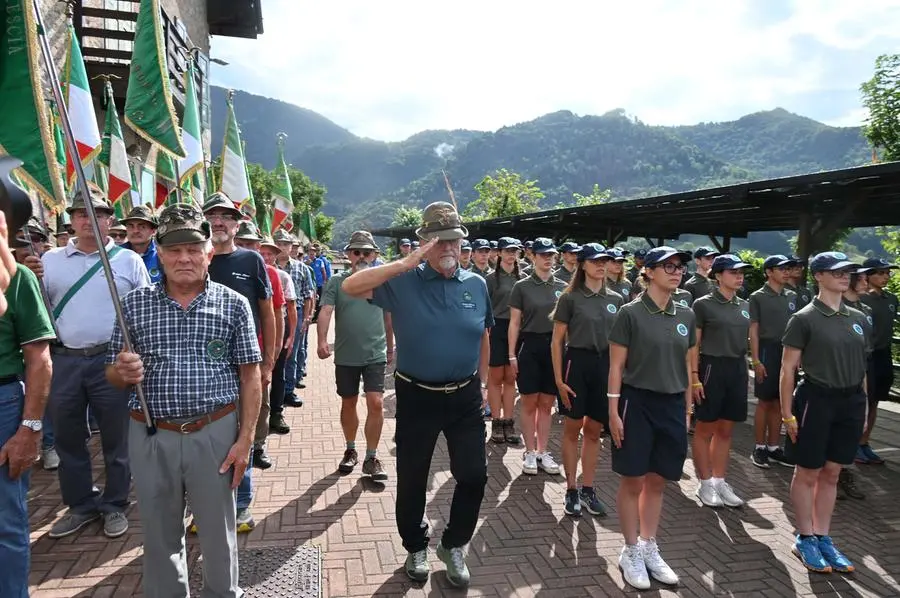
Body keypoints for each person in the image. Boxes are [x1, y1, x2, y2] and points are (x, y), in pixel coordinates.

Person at [106, 203, 262, 598]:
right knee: (159, 532)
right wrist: (121, 372)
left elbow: (250, 375)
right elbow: (111, 373)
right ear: (158, 253)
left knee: (217, 530)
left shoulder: (233, 304)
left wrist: (245, 441)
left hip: (215, 431)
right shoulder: (134, 305)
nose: (184, 258)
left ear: (209, 252)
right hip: (150, 433)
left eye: (193, 249)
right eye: (174, 250)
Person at [342, 202, 491, 588]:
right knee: (412, 477)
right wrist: (406, 263)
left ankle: (453, 544)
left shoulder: (476, 284)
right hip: (417, 395)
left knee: (474, 475)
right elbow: (351, 285)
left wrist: (486, 383)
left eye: (455, 241)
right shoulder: (402, 282)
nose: (448, 248)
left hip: (465, 397)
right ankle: (415, 545)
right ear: (423, 242)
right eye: (439, 241)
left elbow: (484, 334)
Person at [42, 184, 151, 540]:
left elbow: (145, 312)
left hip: (112, 361)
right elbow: (39, 311)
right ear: (71, 220)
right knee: (68, 438)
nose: (90, 219)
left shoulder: (128, 260)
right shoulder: (49, 261)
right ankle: (80, 505)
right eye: (82, 213)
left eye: (100, 213)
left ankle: (116, 504)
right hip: (64, 361)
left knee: (117, 437)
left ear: (109, 221)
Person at [607, 246, 694, 590]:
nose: (676, 272)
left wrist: (687, 409)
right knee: (633, 479)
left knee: (658, 480)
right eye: (668, 266)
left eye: (680, 267)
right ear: (649, 272)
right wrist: (613, 411)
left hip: (672, 404)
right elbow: (615, 366)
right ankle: (630, 551)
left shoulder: (686, 315)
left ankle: (648, 545)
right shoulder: (629, 313)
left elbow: (687, 366)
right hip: (635, 402)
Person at [781, 251, 869, 574]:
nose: (845, 276)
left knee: (832, 471)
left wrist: (864, 405)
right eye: (837, 272)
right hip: (816, 399)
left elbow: (862, 369)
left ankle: (822, 535)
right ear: (818, 275)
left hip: (850, 402)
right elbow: (787, 369)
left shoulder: (857, 318)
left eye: (847, 272)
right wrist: (788, 414)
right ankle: (805, 537)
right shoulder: (804, 318)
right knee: (808, 471)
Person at [203, 192, 274, 532]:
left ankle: (241, 503)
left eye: (226, 217)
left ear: (236, 224)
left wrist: (269, 361)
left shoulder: (251, 261)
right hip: (200, 366)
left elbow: (268, 311)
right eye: (212, 216)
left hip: (244, 364)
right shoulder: (193, 258)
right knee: (202, 435)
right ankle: (204, 506)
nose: (219, 222)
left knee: (241, 431)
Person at [0, 246, 55, 598]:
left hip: (3, 403)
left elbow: (39, 359)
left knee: (4, 522)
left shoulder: (16, 276)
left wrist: (30, 428)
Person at [551, 243, 621, 517]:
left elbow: (620, 344)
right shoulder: (570, 298)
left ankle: (588, 488)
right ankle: (570, 489)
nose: (602, 265)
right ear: (582, 265)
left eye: (605, 261)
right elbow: (557, 341)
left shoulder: (616, 299)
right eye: (595, 261)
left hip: (605, 366)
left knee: (594, 431)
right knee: (572, 428)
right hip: (576, 363)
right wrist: (558, 379)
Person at [318, 231, 392, 481]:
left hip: (375, 352)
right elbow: (326, 310)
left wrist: (390, 346)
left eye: (367, 252)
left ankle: (372, 456)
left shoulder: (382, 281)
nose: (361, 256)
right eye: (357, 251)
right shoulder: (337, 282)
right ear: (349, 254)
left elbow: (388, 317)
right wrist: (321, 340)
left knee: (376, 403)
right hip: (347, 354)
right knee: (348, 402)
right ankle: (351, 449)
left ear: (375, 255)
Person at [690, 254, 752, 508]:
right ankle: (704, 483)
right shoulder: (703, 304)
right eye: (733, 272)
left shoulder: (745, 305)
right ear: (717, 276)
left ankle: (718, 480)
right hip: (711, 367)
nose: (739, 277)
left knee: (726, 429)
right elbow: (693, 344)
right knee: (705, 427)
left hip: (737, 367)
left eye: (741, 273)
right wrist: (694, 377)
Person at [508, 237, 566, 476]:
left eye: (551, 254)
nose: (548, 258)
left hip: (555, 348)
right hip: (530, 346)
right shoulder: (521, 286)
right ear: (532, 256)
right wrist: (511, 354)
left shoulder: (564, 286)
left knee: (547, 403)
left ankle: (543, 451)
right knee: (530, 402)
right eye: (543, 254)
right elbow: (514, 322)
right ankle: (530, 452)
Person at [748, 255, 797, 469]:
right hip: (768, 350)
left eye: (788, 268)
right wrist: (756, 360)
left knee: (780, 401)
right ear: (768, 272)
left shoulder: (792, 296)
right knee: (765, 401)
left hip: (788, 351)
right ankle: (759, 447)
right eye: (781, 268)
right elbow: (754, 330)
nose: (786, 272)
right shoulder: (758, 297)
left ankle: (774, 447)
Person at [857, 257, 898, 464]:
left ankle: (864, 443)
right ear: (867, 275)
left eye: (887, 273)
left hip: (883, 354)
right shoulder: (861, 300)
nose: (885, 277)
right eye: (880, 273)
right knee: (862, 399)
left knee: (875, 401)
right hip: (866, 355)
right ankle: (853, 444)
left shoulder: (891, 299)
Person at [484, 237, 524, 444]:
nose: (511, 254)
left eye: (515, 251)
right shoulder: (490, 279)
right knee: (495, 377)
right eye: (507, 251)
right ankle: (497, 422)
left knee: (511, 378)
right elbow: (485, 308)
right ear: (498, 253)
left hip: (517, 329)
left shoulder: (524, 277)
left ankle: (509, 421)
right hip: (497, 328)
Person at [836, 270, 870, 500]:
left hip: (860, 373)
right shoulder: (833, 308)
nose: (865, 282)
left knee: (850, 431)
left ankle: (844, 474)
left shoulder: (862, 312)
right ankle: (831, 476)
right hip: (835, 378)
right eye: (863, 278)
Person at [258, 235, 297, 435]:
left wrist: (289, 338)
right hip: (257, 335)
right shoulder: (251, 271)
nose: (264, 257)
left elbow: (290, 308)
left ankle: (276, 413)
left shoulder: (281, 276)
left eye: (268, 254)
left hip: (278, 332)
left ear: (275, 255)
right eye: (261, 253)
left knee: (278, 374)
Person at [274, 229, 315, 406]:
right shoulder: (266, 265)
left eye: (285, 244)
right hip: (272, 312)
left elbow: (308, 295)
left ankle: (288, 391)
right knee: (271, 352)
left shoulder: (301, 268)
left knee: (291, 352)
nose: (282, 247)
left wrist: (306, 318)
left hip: (295, 313)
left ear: (292, 247)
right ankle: (272, 393)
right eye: (279, 243)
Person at [120, 204, 161, 283]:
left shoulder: (162, 255)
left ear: (153, 231)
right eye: (131, 226)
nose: (135, 231)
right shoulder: (115, 255)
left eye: (142, 227)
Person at [309, 243, 332, 321]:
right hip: (312, 284)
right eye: (314, 250)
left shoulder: (323, 260)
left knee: (320, 300)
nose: (316, 252)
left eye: (317, 250)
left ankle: (318, 317)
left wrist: (326, 282)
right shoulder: (308, 260)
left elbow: (326, 272)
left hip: (321, 283)